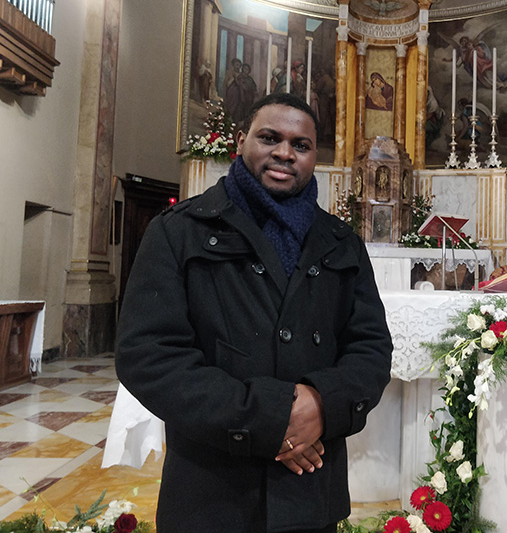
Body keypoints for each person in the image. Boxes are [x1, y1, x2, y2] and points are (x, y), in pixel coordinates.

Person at [116, 92, 393, 533]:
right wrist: (272, 419)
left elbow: (372, 349)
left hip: (309, 491)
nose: (285, 152)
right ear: (242, 140)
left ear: (313, 158)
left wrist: (322, 404)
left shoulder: (342, 243)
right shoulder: (179, 231)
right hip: (212, 491)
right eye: (270, 137)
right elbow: (149, 355)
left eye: (300, 145)